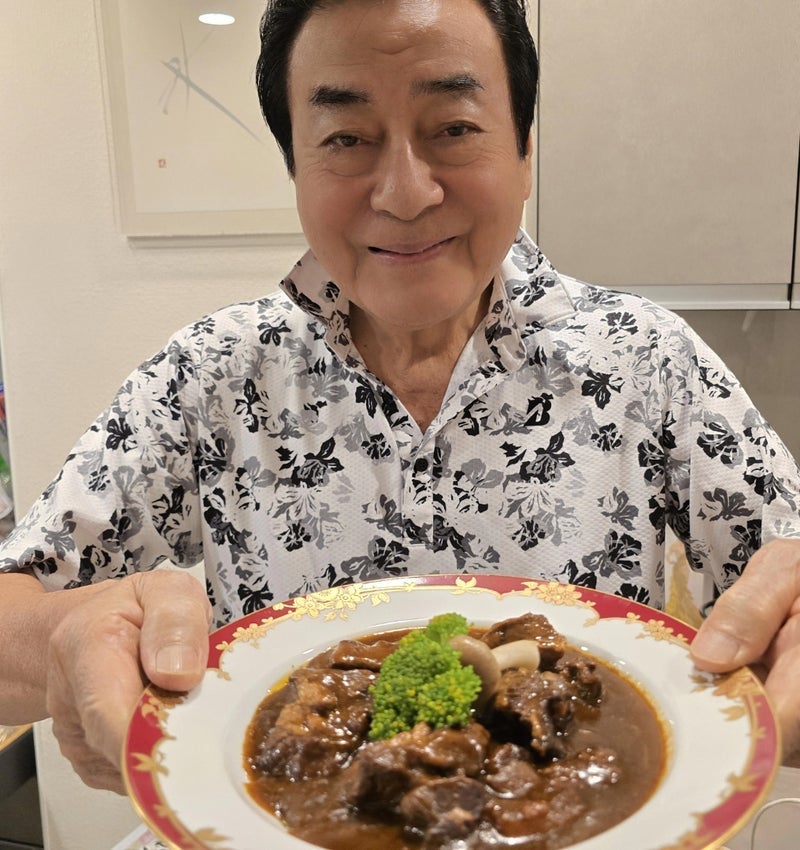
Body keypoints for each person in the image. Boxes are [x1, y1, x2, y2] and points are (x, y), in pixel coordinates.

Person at [1, 0, 799, 795]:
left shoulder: (646, 358)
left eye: (453, 127)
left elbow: (784, 574)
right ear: (295, 167)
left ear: (524, 150)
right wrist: (64, 641)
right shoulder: (210, 374)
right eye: (346, 139)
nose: (406, 193)